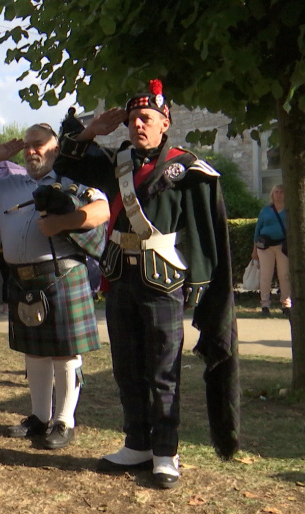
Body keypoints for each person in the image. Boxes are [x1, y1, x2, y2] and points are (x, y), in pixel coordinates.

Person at [54, 79, 239, 489]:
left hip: (164, 280)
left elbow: (201, 229)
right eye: (134, 118)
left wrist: (200, 281)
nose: (138, 124)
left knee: (162, 371)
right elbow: (64, 162)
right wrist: (90, 132)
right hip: (121, 274)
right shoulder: (115, 160)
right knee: (126, 366)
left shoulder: (186, 167)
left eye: (146, 118)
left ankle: (165, 452)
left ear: (164, 121)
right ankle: (136, 442)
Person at [0, 123, 109, 449]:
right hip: (23, 278)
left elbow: (101, 210)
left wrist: (61, 222)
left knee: (64, 354)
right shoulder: (6, 184)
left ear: (55, 149)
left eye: (39, 144)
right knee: (35, 354)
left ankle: (64, 421)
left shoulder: (70, 183)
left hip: (62, 275)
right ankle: (39, 418)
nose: (32, 150)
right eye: (28, 145)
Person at [252, 184, 290, 317]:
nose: (279, 194)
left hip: (282, 246)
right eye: (276, 192)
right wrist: (255, 250)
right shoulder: (265, 210)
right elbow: (258, 229)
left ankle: (286, 303)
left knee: (284, 275)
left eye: (281, 192)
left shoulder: (288, 210)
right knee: (265, 276)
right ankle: (265, 304)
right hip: (265, 247)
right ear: (272, 194)